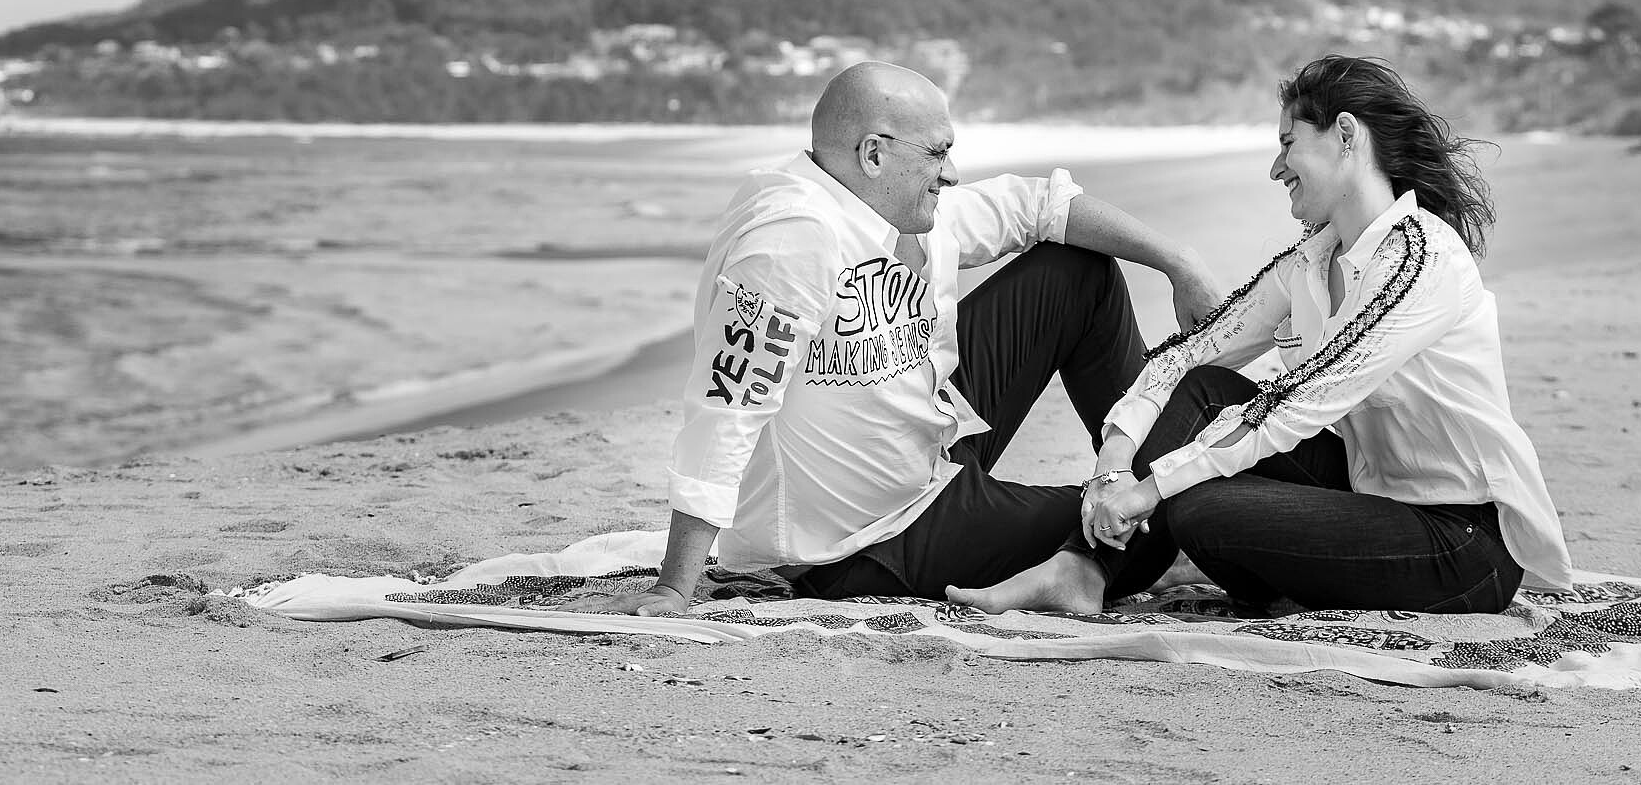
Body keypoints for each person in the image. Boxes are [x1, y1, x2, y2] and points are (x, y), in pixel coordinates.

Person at [950, 55, 1573, 619]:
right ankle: (1082, 570)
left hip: (1459, 540)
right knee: (1202, 388)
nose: (1276, 168)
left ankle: (1164, 561)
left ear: (1346, 136)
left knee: (1198, 509)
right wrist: (1114, 460)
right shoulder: (1312, 259)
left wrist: (1150, 488)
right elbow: (1187, 356)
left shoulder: (1423, 258)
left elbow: (1303, 400)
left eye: (1288, 144)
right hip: (1369, 492)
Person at [599, 61, 1221, 615]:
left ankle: (1148, 469)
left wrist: (1178, 262)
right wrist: (676, 586)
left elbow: (1039, 207)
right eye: (937, 153)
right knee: (1154, 527)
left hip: (930, 449)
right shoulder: (789, 241)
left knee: (1076, 271)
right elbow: (727, 409)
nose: (951, 173)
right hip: (868, 536)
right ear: (874, 155)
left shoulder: (898, 204)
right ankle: (1138, 537)